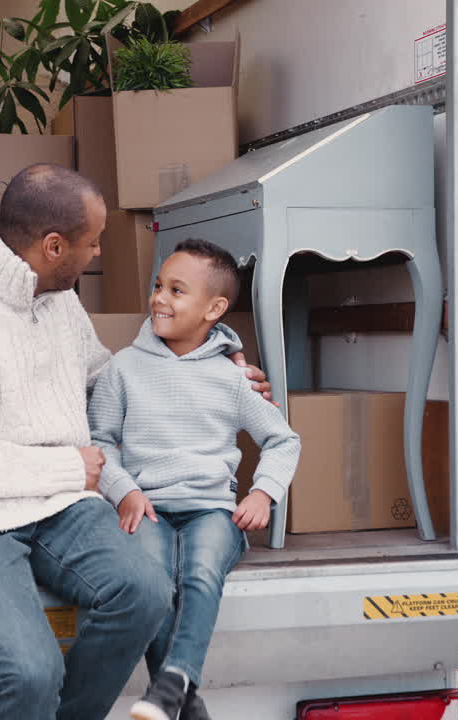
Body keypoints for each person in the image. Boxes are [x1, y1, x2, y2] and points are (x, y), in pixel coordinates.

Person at [0, 164, 272, 720]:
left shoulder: (57, 297)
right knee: (32, 671)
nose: (100, 252)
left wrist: (209, 368)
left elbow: (105, 379)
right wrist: (64, 469)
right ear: (54, 246)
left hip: (58, 505)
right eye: (92, 242)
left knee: (146, 594)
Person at [88, 239, 301, 720]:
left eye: (177, 290)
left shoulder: (233, 378)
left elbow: (283, 439)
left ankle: (173, 684)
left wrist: (264, 493)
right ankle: (184, 698)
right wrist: (126, 492)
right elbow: (100, 441)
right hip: (147, 507)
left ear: (214, 308)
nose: (160, 298)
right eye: (158, 286)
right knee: (152, 585)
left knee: (201, 575)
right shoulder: (123, 368)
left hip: (212, 510)